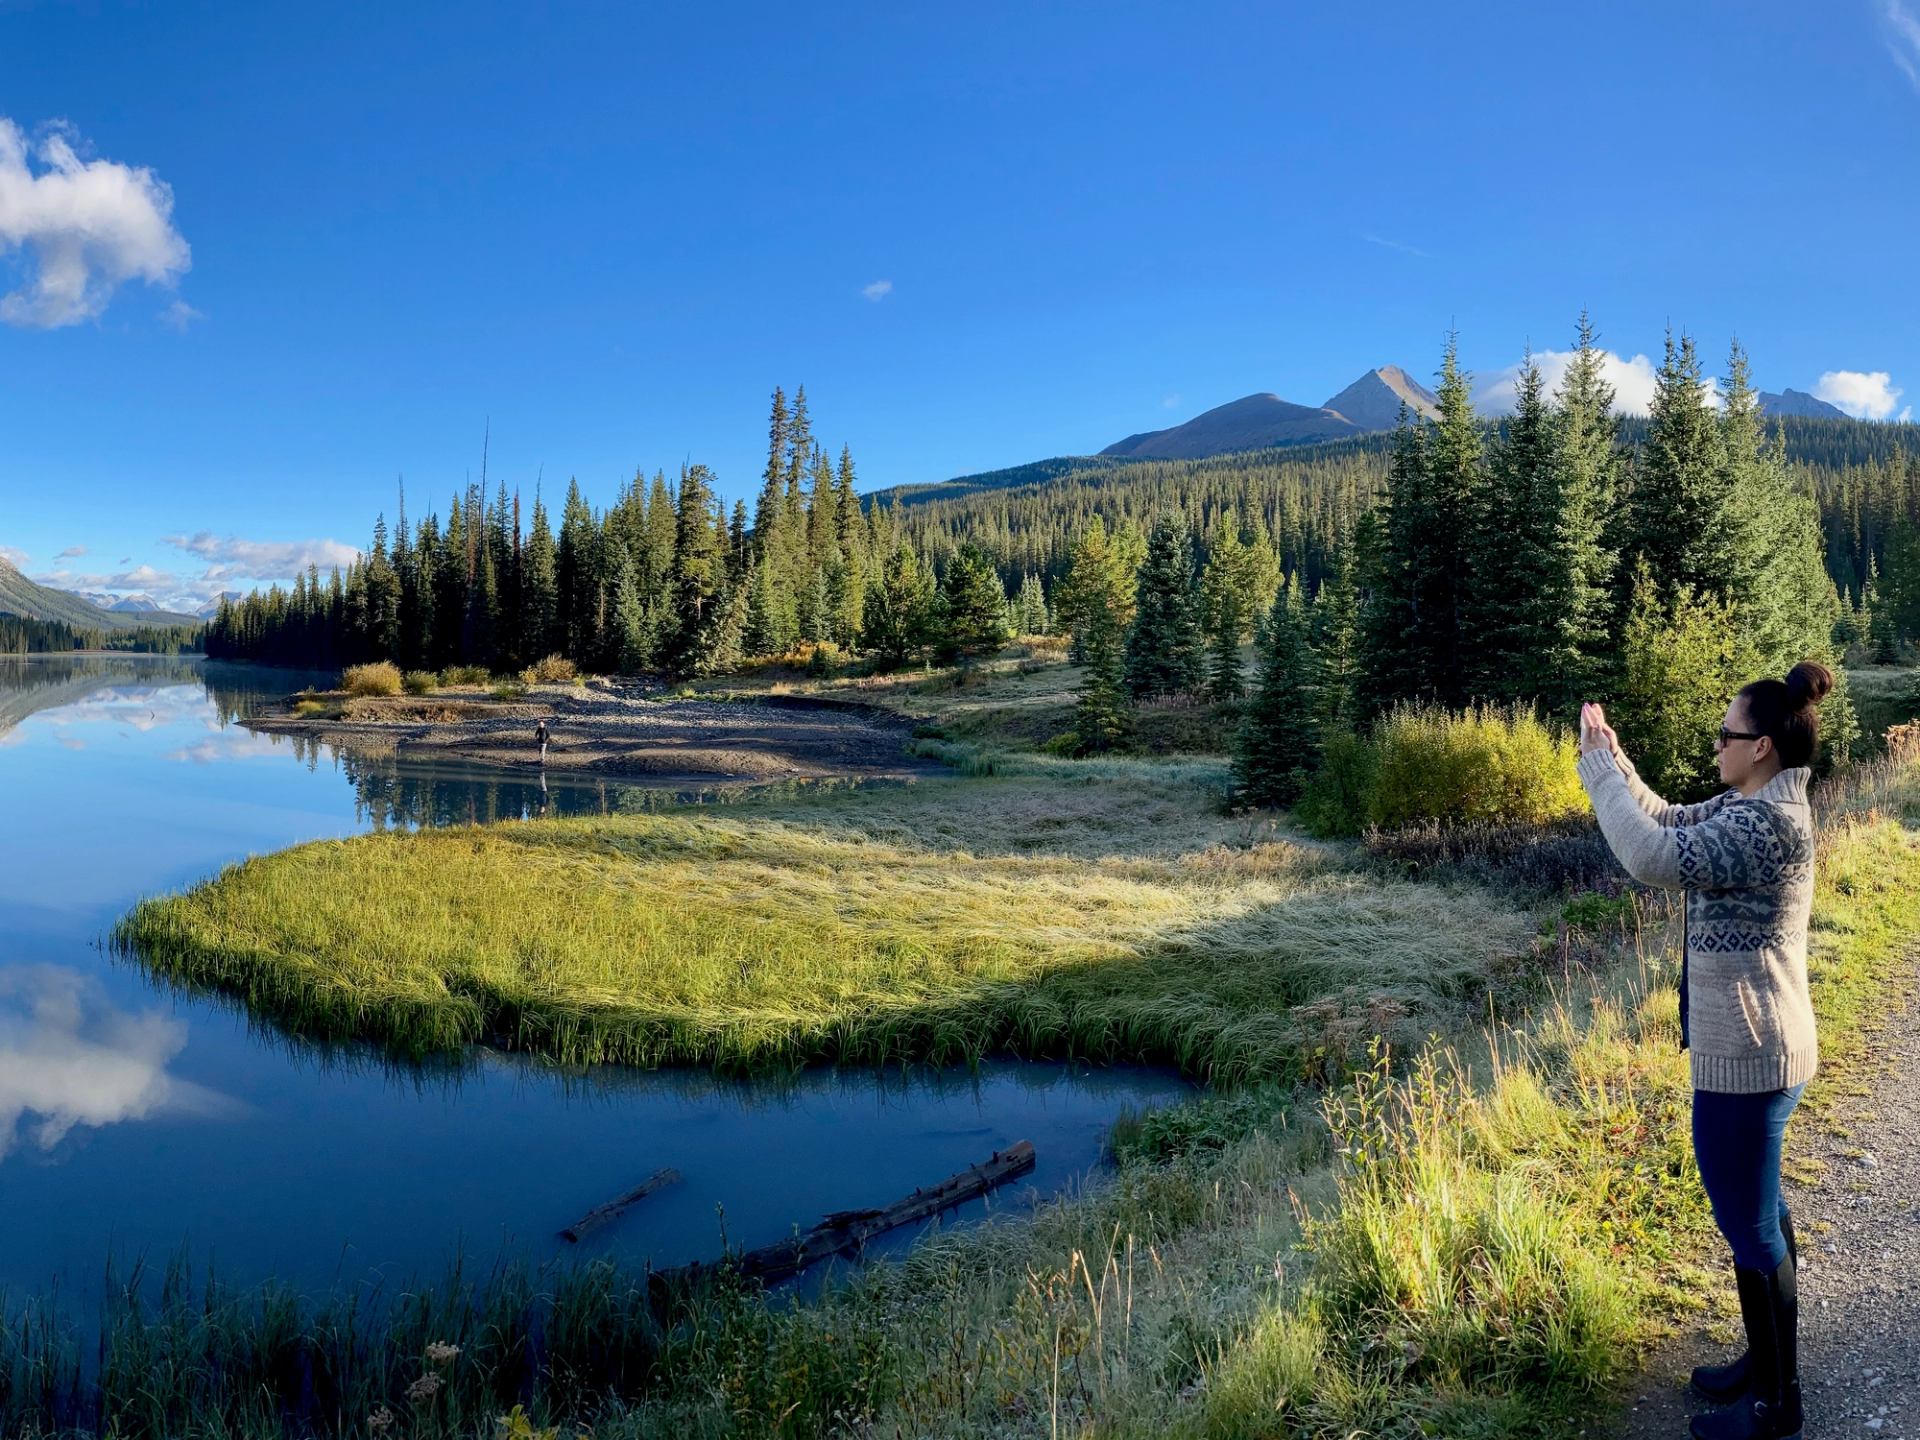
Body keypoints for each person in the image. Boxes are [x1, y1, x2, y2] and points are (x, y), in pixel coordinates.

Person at [1578, 661, 1832, 1440]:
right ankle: (1765, 1367)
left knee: (1749, 1225)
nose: (1716, 744)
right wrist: (1616, 758)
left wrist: (1592, 770)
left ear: (1761, 749)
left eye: (1728, 734)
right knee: (1758, 1214)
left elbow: (1649, 856)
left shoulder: (1765, 826)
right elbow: (1663, 819)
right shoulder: (1750, 806)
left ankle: (1778, 1408)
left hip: (1749, 1058)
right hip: (1758, 1050)